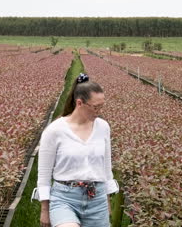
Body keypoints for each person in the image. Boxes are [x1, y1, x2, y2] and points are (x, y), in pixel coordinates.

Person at [31, 73, 119, 227]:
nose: (99, 111)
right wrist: (45, 210)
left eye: (102, 106)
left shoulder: (103, 127)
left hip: (96, 199)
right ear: (80, 103)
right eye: (95, 107)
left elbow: (106, 167)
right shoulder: (54, 131)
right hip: (65, 198)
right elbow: (44, 175)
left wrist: (106, 201)